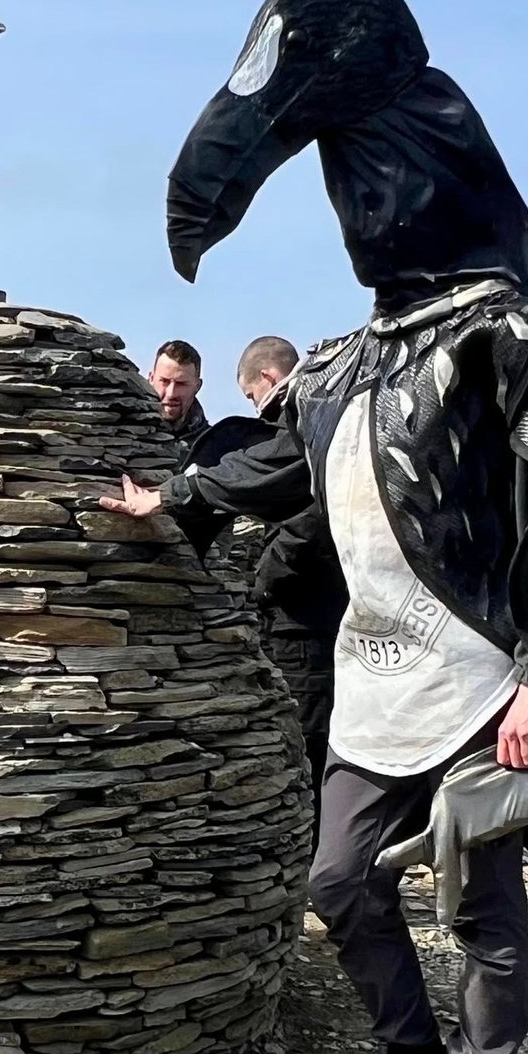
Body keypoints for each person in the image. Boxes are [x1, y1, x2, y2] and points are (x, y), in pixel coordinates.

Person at [108, 0, 528, 1054]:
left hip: (479, 672)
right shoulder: (348, 362)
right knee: (340, 878)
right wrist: (173, 498)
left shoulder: (505, 333)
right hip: (374, 674)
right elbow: (282, 464)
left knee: (480, 899)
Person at [234, 335, 345, 796]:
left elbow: (305, 523)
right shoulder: (328, 413)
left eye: (250, 396)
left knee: (306, 753)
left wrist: (259, 587)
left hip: (302, 630)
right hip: (320, 620)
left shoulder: (302, 426)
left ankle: (316, 862)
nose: (254, 406)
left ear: (268, 378)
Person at [148, 339, 208, 452]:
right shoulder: (120, 434)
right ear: (151, 379)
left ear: (197, 386)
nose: (171, 394)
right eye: (164, 381)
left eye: (181, 384)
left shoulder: (214, 445)